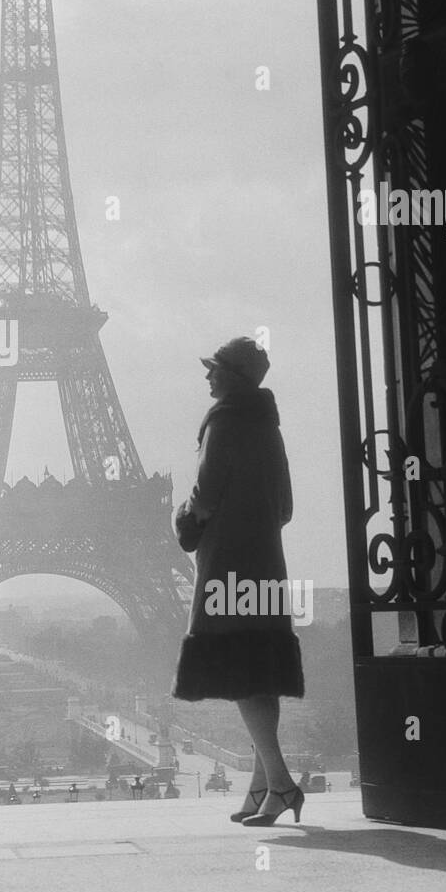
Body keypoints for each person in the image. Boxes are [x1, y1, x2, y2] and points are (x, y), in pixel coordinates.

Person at [172, 337, 305, 827]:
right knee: (260, 669)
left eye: (215, 369)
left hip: (229, 565)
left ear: (233, 377)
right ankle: (260, 787)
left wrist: (183, 519)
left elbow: (204, 494)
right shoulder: (270, 430)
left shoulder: (224, 421)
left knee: (241, 673)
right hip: (266, 562)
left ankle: (283, 784)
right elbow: (286, 506)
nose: (208, 376)